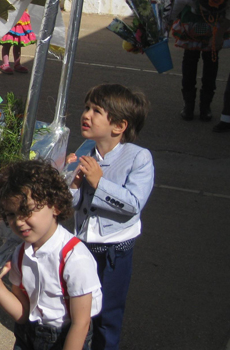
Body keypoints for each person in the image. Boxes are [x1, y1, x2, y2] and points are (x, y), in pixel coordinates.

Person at [0, 160, 102, 350]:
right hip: (28, 335)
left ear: (56, 206)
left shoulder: (74, 258)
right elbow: (23, 314)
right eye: (11, 215)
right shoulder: (21, 253)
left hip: (65, 337)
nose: (19, 222)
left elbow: (81, 323)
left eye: (26, 211)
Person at [69, 84, 153, 350]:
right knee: (78, 307)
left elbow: (133, 204)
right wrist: (71, 182)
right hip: (82, 245)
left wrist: (99, 182)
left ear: (118, 126)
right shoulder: (84, 153)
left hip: (115, 250)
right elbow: (70, 205)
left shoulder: (138, 158)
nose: (87, 114)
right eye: (87, 108)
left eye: (96, 111)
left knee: (108, 312)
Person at [170, 0, 230, 120]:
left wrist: (220, 34)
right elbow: (174, 10)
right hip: (191, 22)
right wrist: (166, 23)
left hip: (217, 24)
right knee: (190, 61)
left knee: (211, 62)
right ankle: (188, 106)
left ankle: (206, 107)